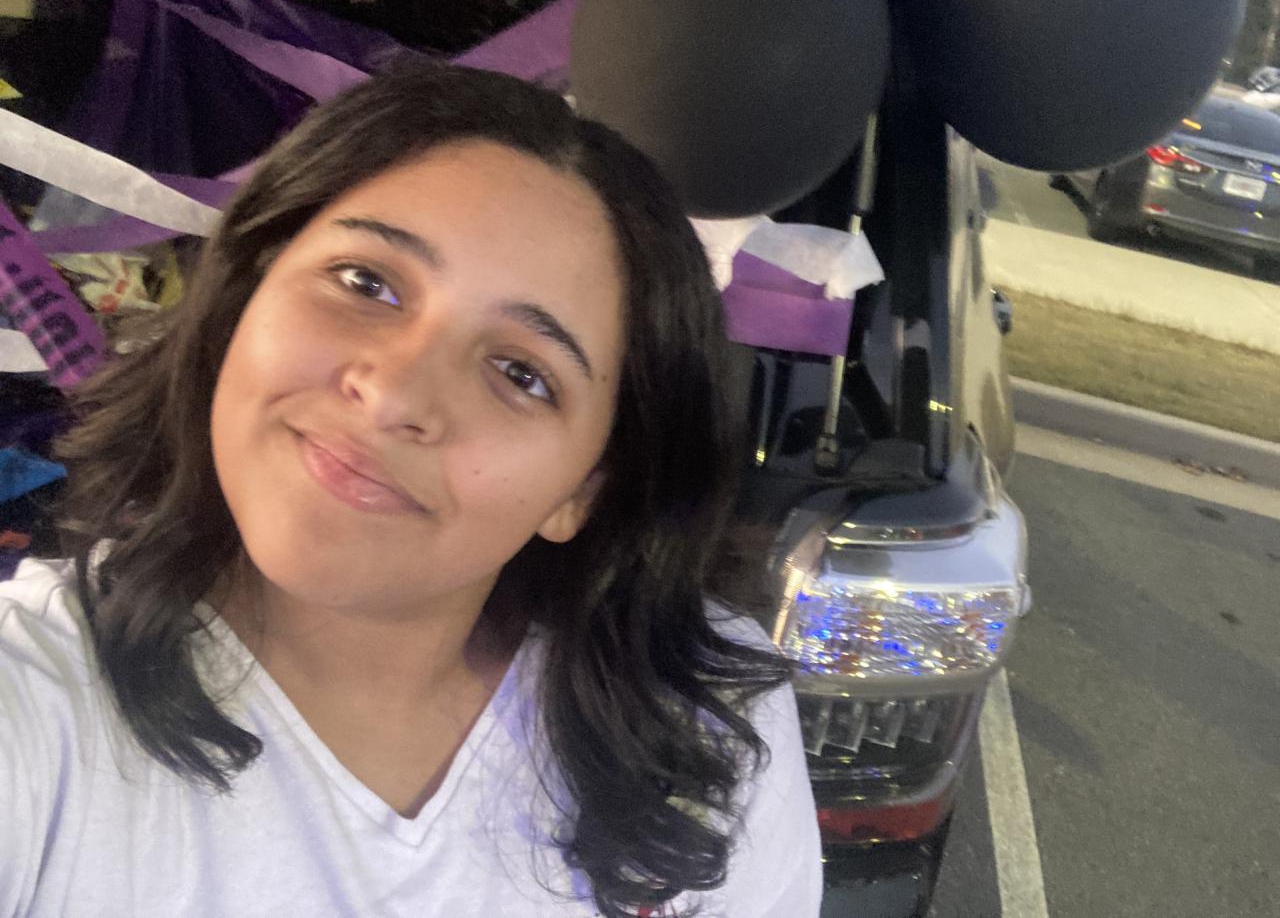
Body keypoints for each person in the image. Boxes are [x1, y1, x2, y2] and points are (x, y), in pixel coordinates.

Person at [0, 62, 822, 917]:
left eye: (521, 373)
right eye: (367, 283)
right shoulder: (34, 713)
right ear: (245, 293)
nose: (393, 393)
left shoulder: (707, 728)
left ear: (582, 490)